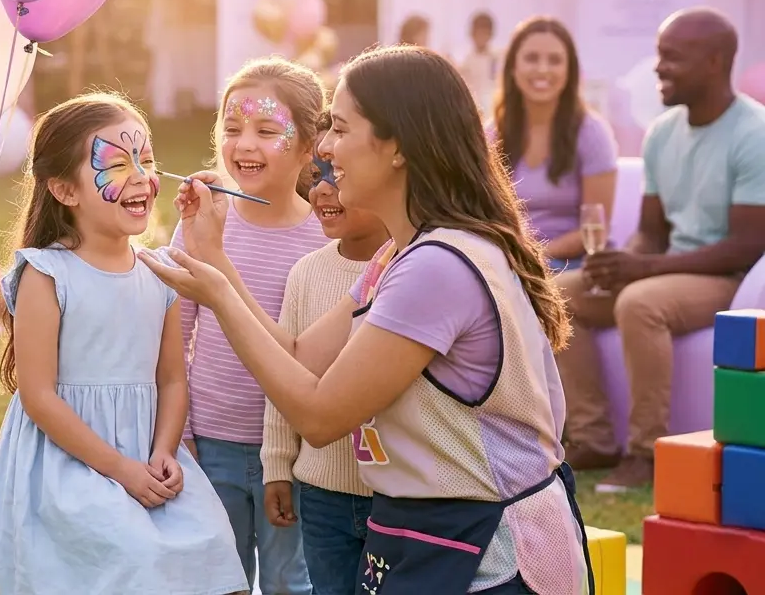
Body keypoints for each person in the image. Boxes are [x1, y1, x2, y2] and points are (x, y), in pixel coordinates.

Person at [142, 46, 592, 593]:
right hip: (435, 543)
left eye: (340, 129)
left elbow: (318, 414)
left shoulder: (435, 268)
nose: (325, 150)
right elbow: (300, 354)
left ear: (396, 146)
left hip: (489, 560)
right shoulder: (400, 255)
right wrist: (216, 261)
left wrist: (217, 291)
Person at [0, 92, 248, 595]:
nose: (142, 176)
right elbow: (39, 394)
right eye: (119, 164)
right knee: (130, 559)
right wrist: (120, 470)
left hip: (148, 454)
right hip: (67, 462)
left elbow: (172, 379)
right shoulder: (47, 273)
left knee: (210, 546)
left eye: (147, 158)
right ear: (64, 190)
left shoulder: (162, 275)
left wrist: (163, 451)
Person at [560, 7, 765, 491]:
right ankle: (591, 438)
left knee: (640, 303)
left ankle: (648, 454)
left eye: (672, 57)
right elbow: (651, 230)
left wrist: (642, 270)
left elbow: (747, 244)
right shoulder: (662, 133)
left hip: (726, 281)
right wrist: (621, 263)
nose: (658, 67)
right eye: (659, 55)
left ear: (714, 62)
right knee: (557, 292)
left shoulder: (754, 133)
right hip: (669, 268)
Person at [171, 58, 326, 595]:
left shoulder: (323, 242)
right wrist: (179, 432)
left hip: (292, 451)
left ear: (308, 145)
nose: (244, 145)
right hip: (210, 441)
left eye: (266, 130)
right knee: (220, 579)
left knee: (290, 581)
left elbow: (311, 358)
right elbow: (174, 332)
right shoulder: (200, 221)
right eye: (232, 129)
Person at [261, 121, 391, 595]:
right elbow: (287, 375)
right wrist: (277, 464)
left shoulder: (410, 269)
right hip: (322, 495)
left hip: (391, 498)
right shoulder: (306, 274)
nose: (321, 190)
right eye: (314, 176)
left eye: (335, 175)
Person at [491, 16, 618, 274]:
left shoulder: (591, 132)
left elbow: (594, 230)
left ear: (570, 71)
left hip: (573, 266)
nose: (543, 70)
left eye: (555, 60)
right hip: (509, 264)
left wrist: (534, 255)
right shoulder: (491, 134)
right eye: (531, 58)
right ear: (513, 68)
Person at [459, 12, 500, 112]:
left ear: (490, 35)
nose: (481, 37)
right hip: (473, 108)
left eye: (485, 33)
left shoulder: (497, 57)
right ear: (472, 34)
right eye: (478, 33)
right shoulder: (465, 62)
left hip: (493, 107)